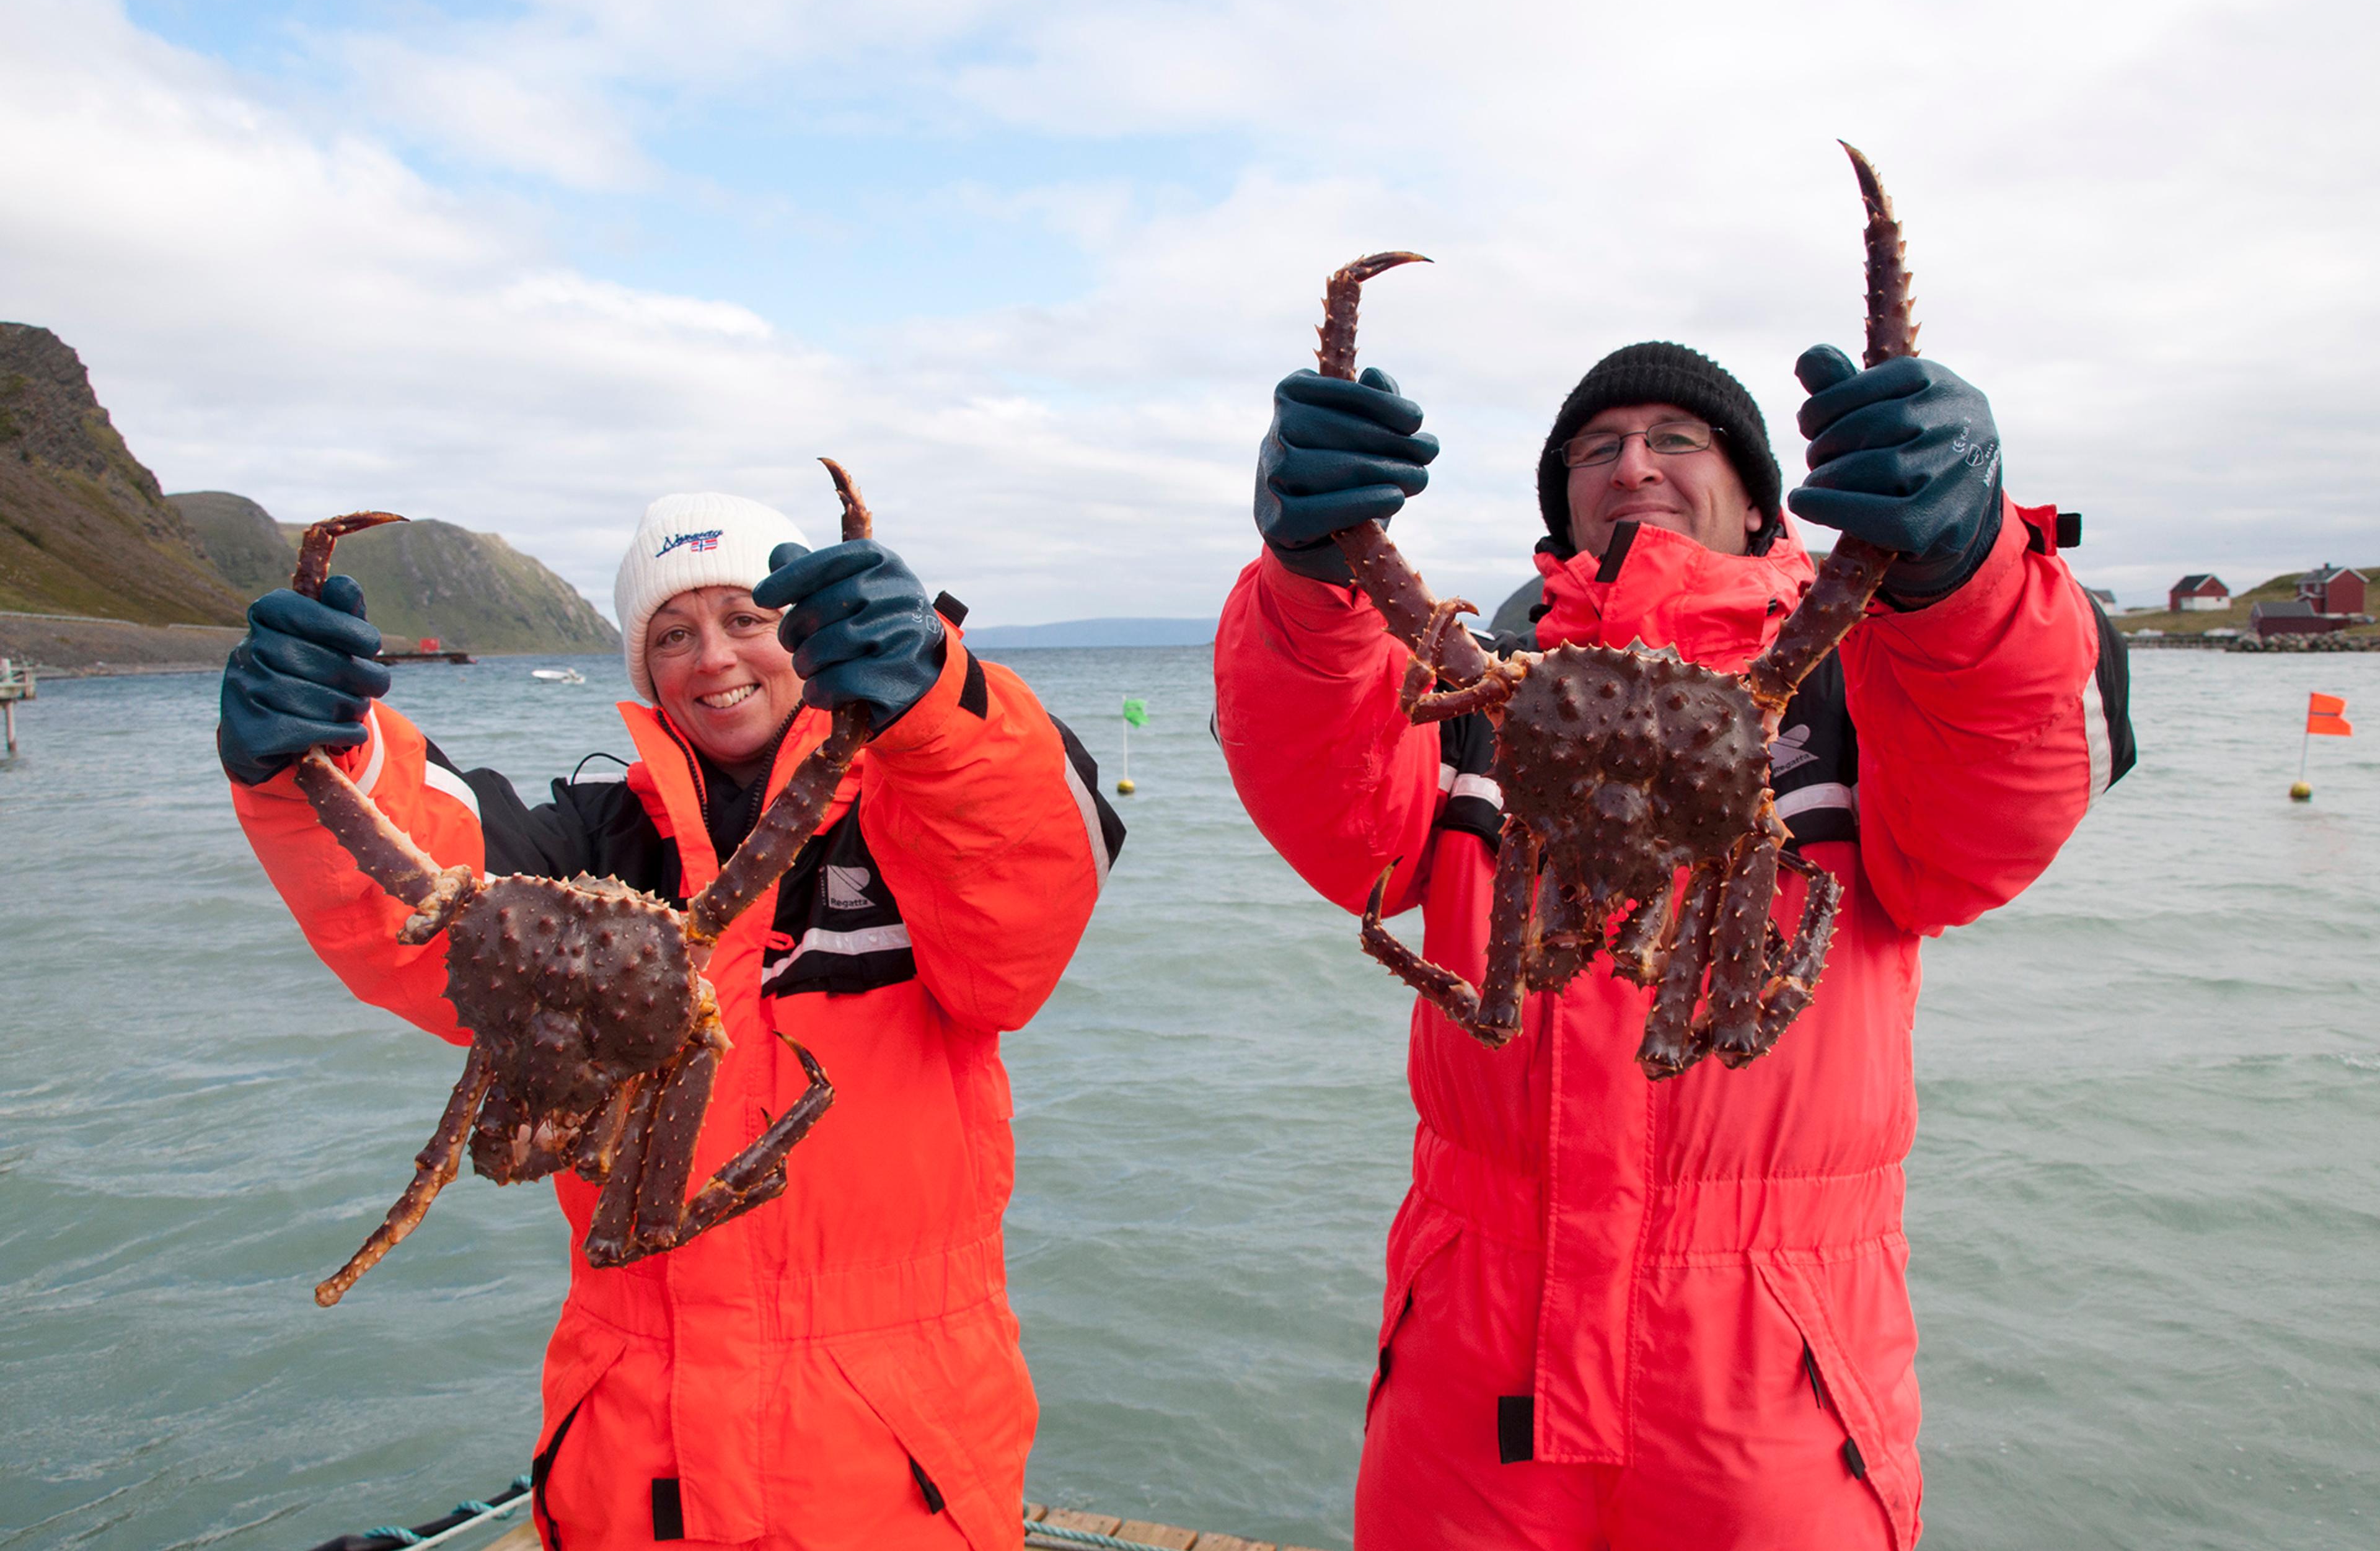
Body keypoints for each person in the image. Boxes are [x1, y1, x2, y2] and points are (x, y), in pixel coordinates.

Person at [1215, 340, 2134, 1550]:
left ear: (1762, 494)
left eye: (1676, 439)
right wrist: (1310, 575)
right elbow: (1354, 838)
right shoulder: (1493, 686)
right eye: (1598, 449)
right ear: (1565, 502)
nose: (1633, 463)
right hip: (1476, 1362)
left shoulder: (1862, 671)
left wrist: (1967, 568)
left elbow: (1994, 816)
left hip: (1776, 1378)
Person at [221, 491, 1124, 1551]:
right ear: (644, 670)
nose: (713, 656)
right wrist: (317, 757)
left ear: (809, 631)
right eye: (672, 633)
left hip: (898, 1469)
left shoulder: (915, 816)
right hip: (632, 1467)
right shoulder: (586, 848)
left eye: (748, 615)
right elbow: (422, 888)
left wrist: (935, 695)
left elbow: (1021, 908)